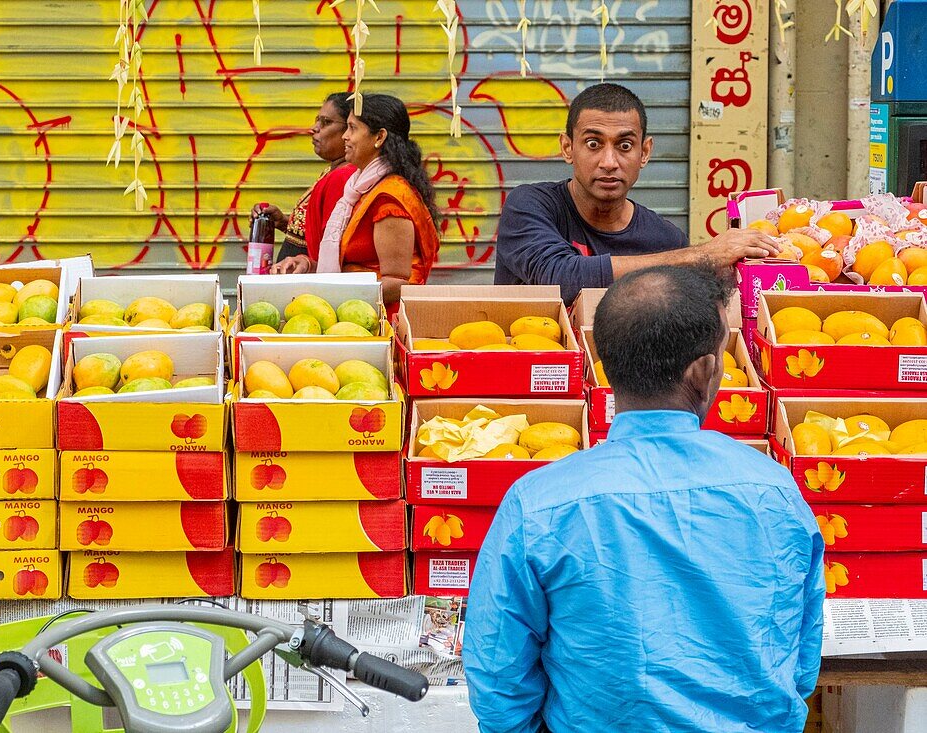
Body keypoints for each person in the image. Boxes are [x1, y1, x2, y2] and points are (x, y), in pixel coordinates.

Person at [464, 265, 825, 733]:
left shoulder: (539, 504)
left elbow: (498, 677)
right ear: (705, 369)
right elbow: (800, 663)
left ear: (602, 358)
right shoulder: (774, 490)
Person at [494, 83, 780, 303]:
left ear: (645, 152)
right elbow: (558, 277)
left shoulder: (665, 240)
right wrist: (702, 255)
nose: (609, 162)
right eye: (593, 144)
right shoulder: (529, 206)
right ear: (568, 148)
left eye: (625, 146)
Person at [271, 93, 440, 309]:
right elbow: (351, 267)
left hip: (380, 323)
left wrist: (335, 293)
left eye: (352, 128)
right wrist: (307, 264)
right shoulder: (360, 188)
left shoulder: (389, 200)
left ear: (379, 137)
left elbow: (398, 284)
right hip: (353, 315)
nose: (345, 136)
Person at [251, 93, 356, 262]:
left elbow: (329, 244)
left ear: (350, 130)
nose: (314, 128)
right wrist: (284, 223)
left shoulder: (343, 177)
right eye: (317, 120)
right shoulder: (332, 170)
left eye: (326, 122)